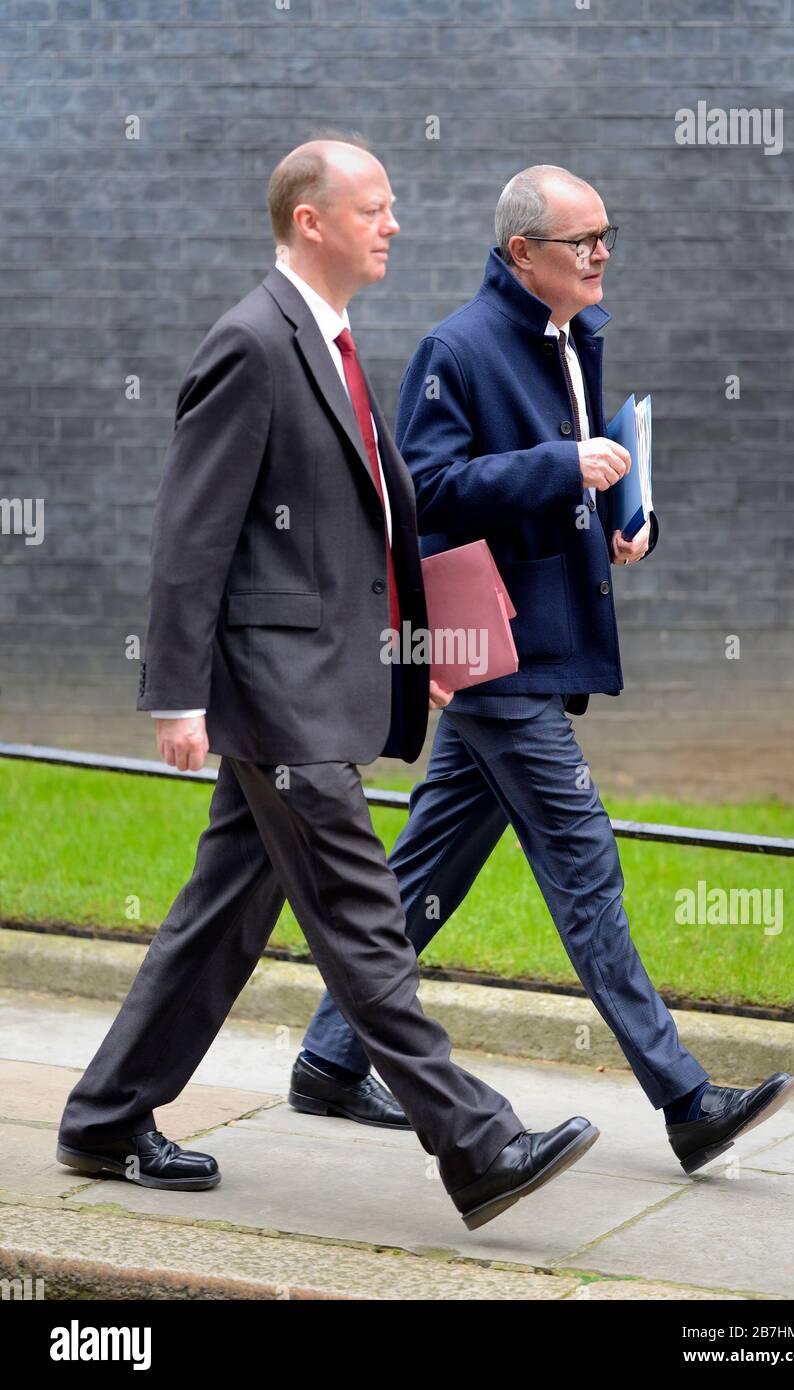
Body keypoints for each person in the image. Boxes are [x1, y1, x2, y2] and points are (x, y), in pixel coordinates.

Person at [55, 140, 600, 1232]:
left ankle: (105, 1118)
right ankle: (479, 1142)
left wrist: (418, 654)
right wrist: (176, 697)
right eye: (373, 208)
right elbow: (189, 536)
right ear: (312, 221)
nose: (392, 224)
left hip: (319, 680)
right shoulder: (254, 343)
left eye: (391, 207)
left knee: (222, 916)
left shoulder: (333, 340)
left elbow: (372, 535)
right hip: (277, 693)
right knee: (361, 915)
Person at [295, 164, 794, 1177]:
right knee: (587, 867)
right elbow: (427, 492)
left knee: (422, 874)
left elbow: (578, 467)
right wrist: (565, 467)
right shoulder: (460, 347)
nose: (602, 252)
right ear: (522, 252)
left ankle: (329, 1057)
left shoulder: (573, 338)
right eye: (582, 239)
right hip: (495, 660)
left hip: (532, 647)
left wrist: (627, 518)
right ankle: (685, 1098)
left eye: (608, 234)